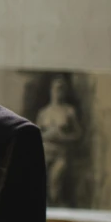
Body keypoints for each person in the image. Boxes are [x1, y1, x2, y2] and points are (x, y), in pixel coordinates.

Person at [36, 76, 83, 206]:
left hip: (61, 153)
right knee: (39, 184)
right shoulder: (44, 112)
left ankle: (56, 211)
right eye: (56, 88)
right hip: (45, 152)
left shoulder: (69, 111)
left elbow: (78, 134)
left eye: (61, 89)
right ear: (51, 90)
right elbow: (34, 134)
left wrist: (62, 137)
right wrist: (47, 135)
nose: (58, 92)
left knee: (55, 183)